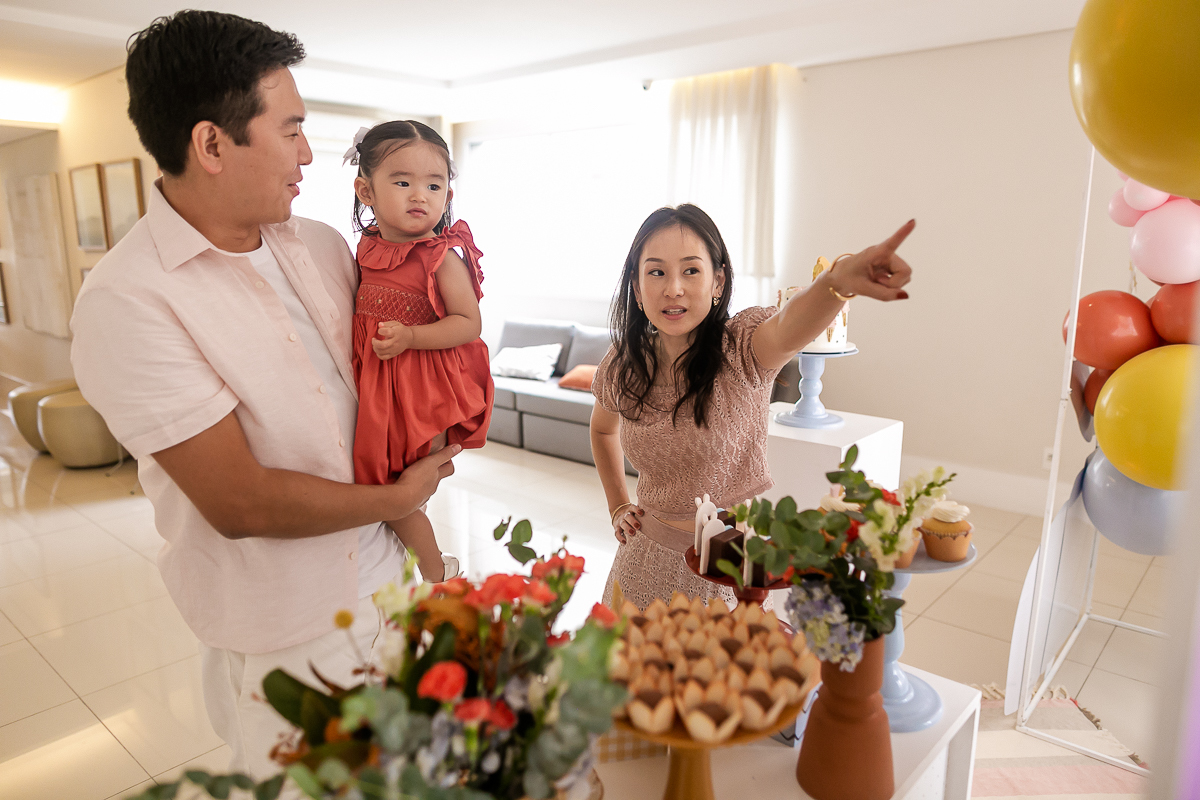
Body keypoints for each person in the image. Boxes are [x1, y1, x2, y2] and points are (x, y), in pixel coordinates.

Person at [69, 11, 457, 780]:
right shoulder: (128, 300)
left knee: (421, 776)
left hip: (387, 582)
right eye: (291, 131)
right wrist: (395, 495)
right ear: (211, 143)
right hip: (284, 630)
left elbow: (379, 388)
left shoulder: (319, 243)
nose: (309, 154)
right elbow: (240, 503)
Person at [591, 204, 913, 609]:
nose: (673, 287)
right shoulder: (624, 361)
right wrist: (618, 503)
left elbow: (790, 326)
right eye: (656, 272)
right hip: (639, 564)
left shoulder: (741, 349)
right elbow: (603, 429)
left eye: (691, 270)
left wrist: (838, 283)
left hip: (722, 571)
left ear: (718, 281)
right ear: (637, 289)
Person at [346, 121, 493, 583]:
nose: (420, 195)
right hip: (375, 387)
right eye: (403, 182)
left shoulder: (440, 256)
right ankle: (407, 568)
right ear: (365, 190)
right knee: (375, 485)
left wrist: (411, 337)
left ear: (448, 196)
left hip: (422, 391)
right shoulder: (364, 249)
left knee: (400, 489)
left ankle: (436, 575)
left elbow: (469, 323)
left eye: (434, 185)